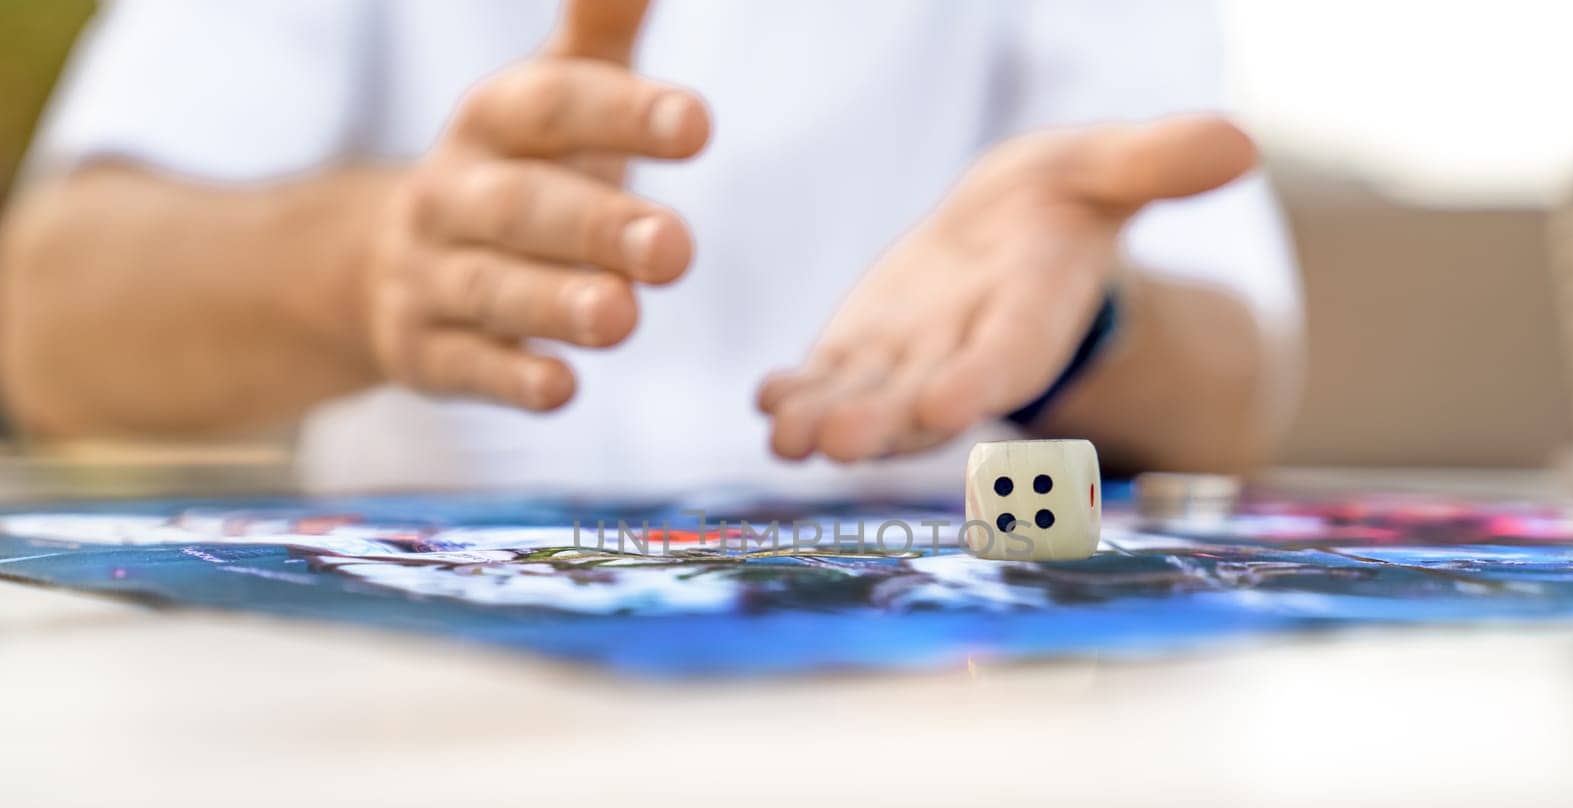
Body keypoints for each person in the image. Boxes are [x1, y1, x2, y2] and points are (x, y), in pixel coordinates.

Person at [0, 0, 1302, 495]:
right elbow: (45, 324)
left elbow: (1233, 392)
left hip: (953, 726)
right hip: (395, 728)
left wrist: (1079, 317)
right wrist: (370, 265)